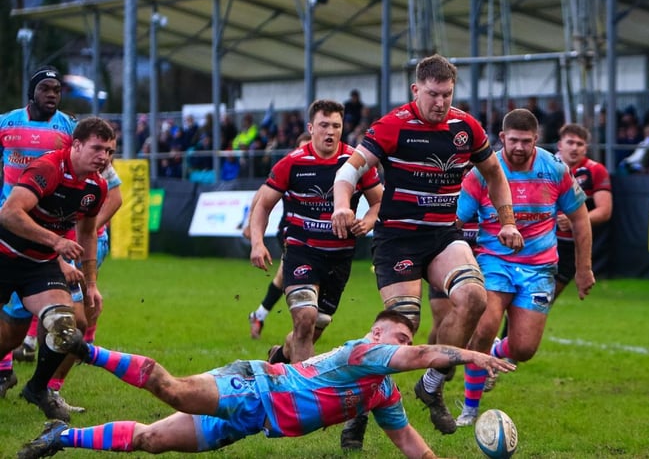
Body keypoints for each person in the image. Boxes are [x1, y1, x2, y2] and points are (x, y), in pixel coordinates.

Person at [331, 54, 523, 443]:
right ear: (416, 89)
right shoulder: (393, 126)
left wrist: (508, 221)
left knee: (474, 298)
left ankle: (431, 383)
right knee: (403, 325)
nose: (440, 102)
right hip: (397, 239)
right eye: (433, 94)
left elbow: (494, 174)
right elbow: (348, 170)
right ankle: (359, 405)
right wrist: (340, 206)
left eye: (447, 94)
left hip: (442, 236)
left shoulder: (465, 127)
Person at [17, 310, 516, 458]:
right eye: (398, 337)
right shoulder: (362, 353)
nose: (403, 345)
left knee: (151, 441)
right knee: (172, 389)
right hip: (254, 388)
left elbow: (410, 444)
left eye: (406, 339)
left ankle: (61, 437)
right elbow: (424, 355)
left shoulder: (382, 391)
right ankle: (84, 350)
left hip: (253, 421)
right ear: (376, 335)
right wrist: (474, 354)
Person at [452, 108, 592, 426]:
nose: (519, 147)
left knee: (524, 349)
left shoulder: (554, 168)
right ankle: (470, 409)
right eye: (513, 140)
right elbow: (455, 220)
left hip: (539, 268)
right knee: (485, 328)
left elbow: (581, 218)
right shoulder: (483, 170)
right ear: (502, 138)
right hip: (494, 261)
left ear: (536, 139)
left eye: (526, 141)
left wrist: (584, 269)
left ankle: (493, 353)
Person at [0, 117, 115, 422]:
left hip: (40, 264)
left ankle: (38, 389)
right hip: (5, 254)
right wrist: (56, 242)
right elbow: (9, 213)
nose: (103, 156)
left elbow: (88, 234)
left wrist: (92, 284)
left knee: (67, 326)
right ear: (76, 145)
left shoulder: (97, 186)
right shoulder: (49, 168)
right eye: (97, 148)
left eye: (109, 151)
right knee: (9, 338)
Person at [249, 100, 381, 363]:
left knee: (309, 331)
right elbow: (263, 204)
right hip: (302, 252)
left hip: (340, 259)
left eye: (336, 126)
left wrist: (368, 221)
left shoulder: (356, 163)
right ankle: (305, 389)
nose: (330, 132)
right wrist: (257, 242)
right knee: (305, 318)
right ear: (311, 128)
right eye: (323, 125)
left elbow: (379, 201)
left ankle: (279, 358)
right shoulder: (292, 163)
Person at [0, 66, 78, 413]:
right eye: (45, 88)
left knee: (70, 319)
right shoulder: (7, 123)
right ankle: (8, 371)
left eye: (57, 90)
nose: (52, 94)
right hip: (9, 230)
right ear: (32, 91)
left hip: (50, 235)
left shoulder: (69, 128)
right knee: (13, 325)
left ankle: (43, 387)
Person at [246, 132, 311, 339]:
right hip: (290, 234)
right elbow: (262, 194)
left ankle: (259, 315)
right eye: (303, 148)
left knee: (283, 277)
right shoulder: (291, 168)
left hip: (319, 237)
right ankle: (304, 324)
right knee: (300, 276)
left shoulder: (328, 169)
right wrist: (250, 223)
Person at [555, 123, 612, 296]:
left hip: (570, 246)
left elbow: (604, 211)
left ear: (586, 148)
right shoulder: (547, 166)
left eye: (579, 144)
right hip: (541, 240)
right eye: (570, 142)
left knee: (542, 300)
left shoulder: (595, 170)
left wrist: (574, 220)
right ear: (560, 145)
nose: (574, 148)